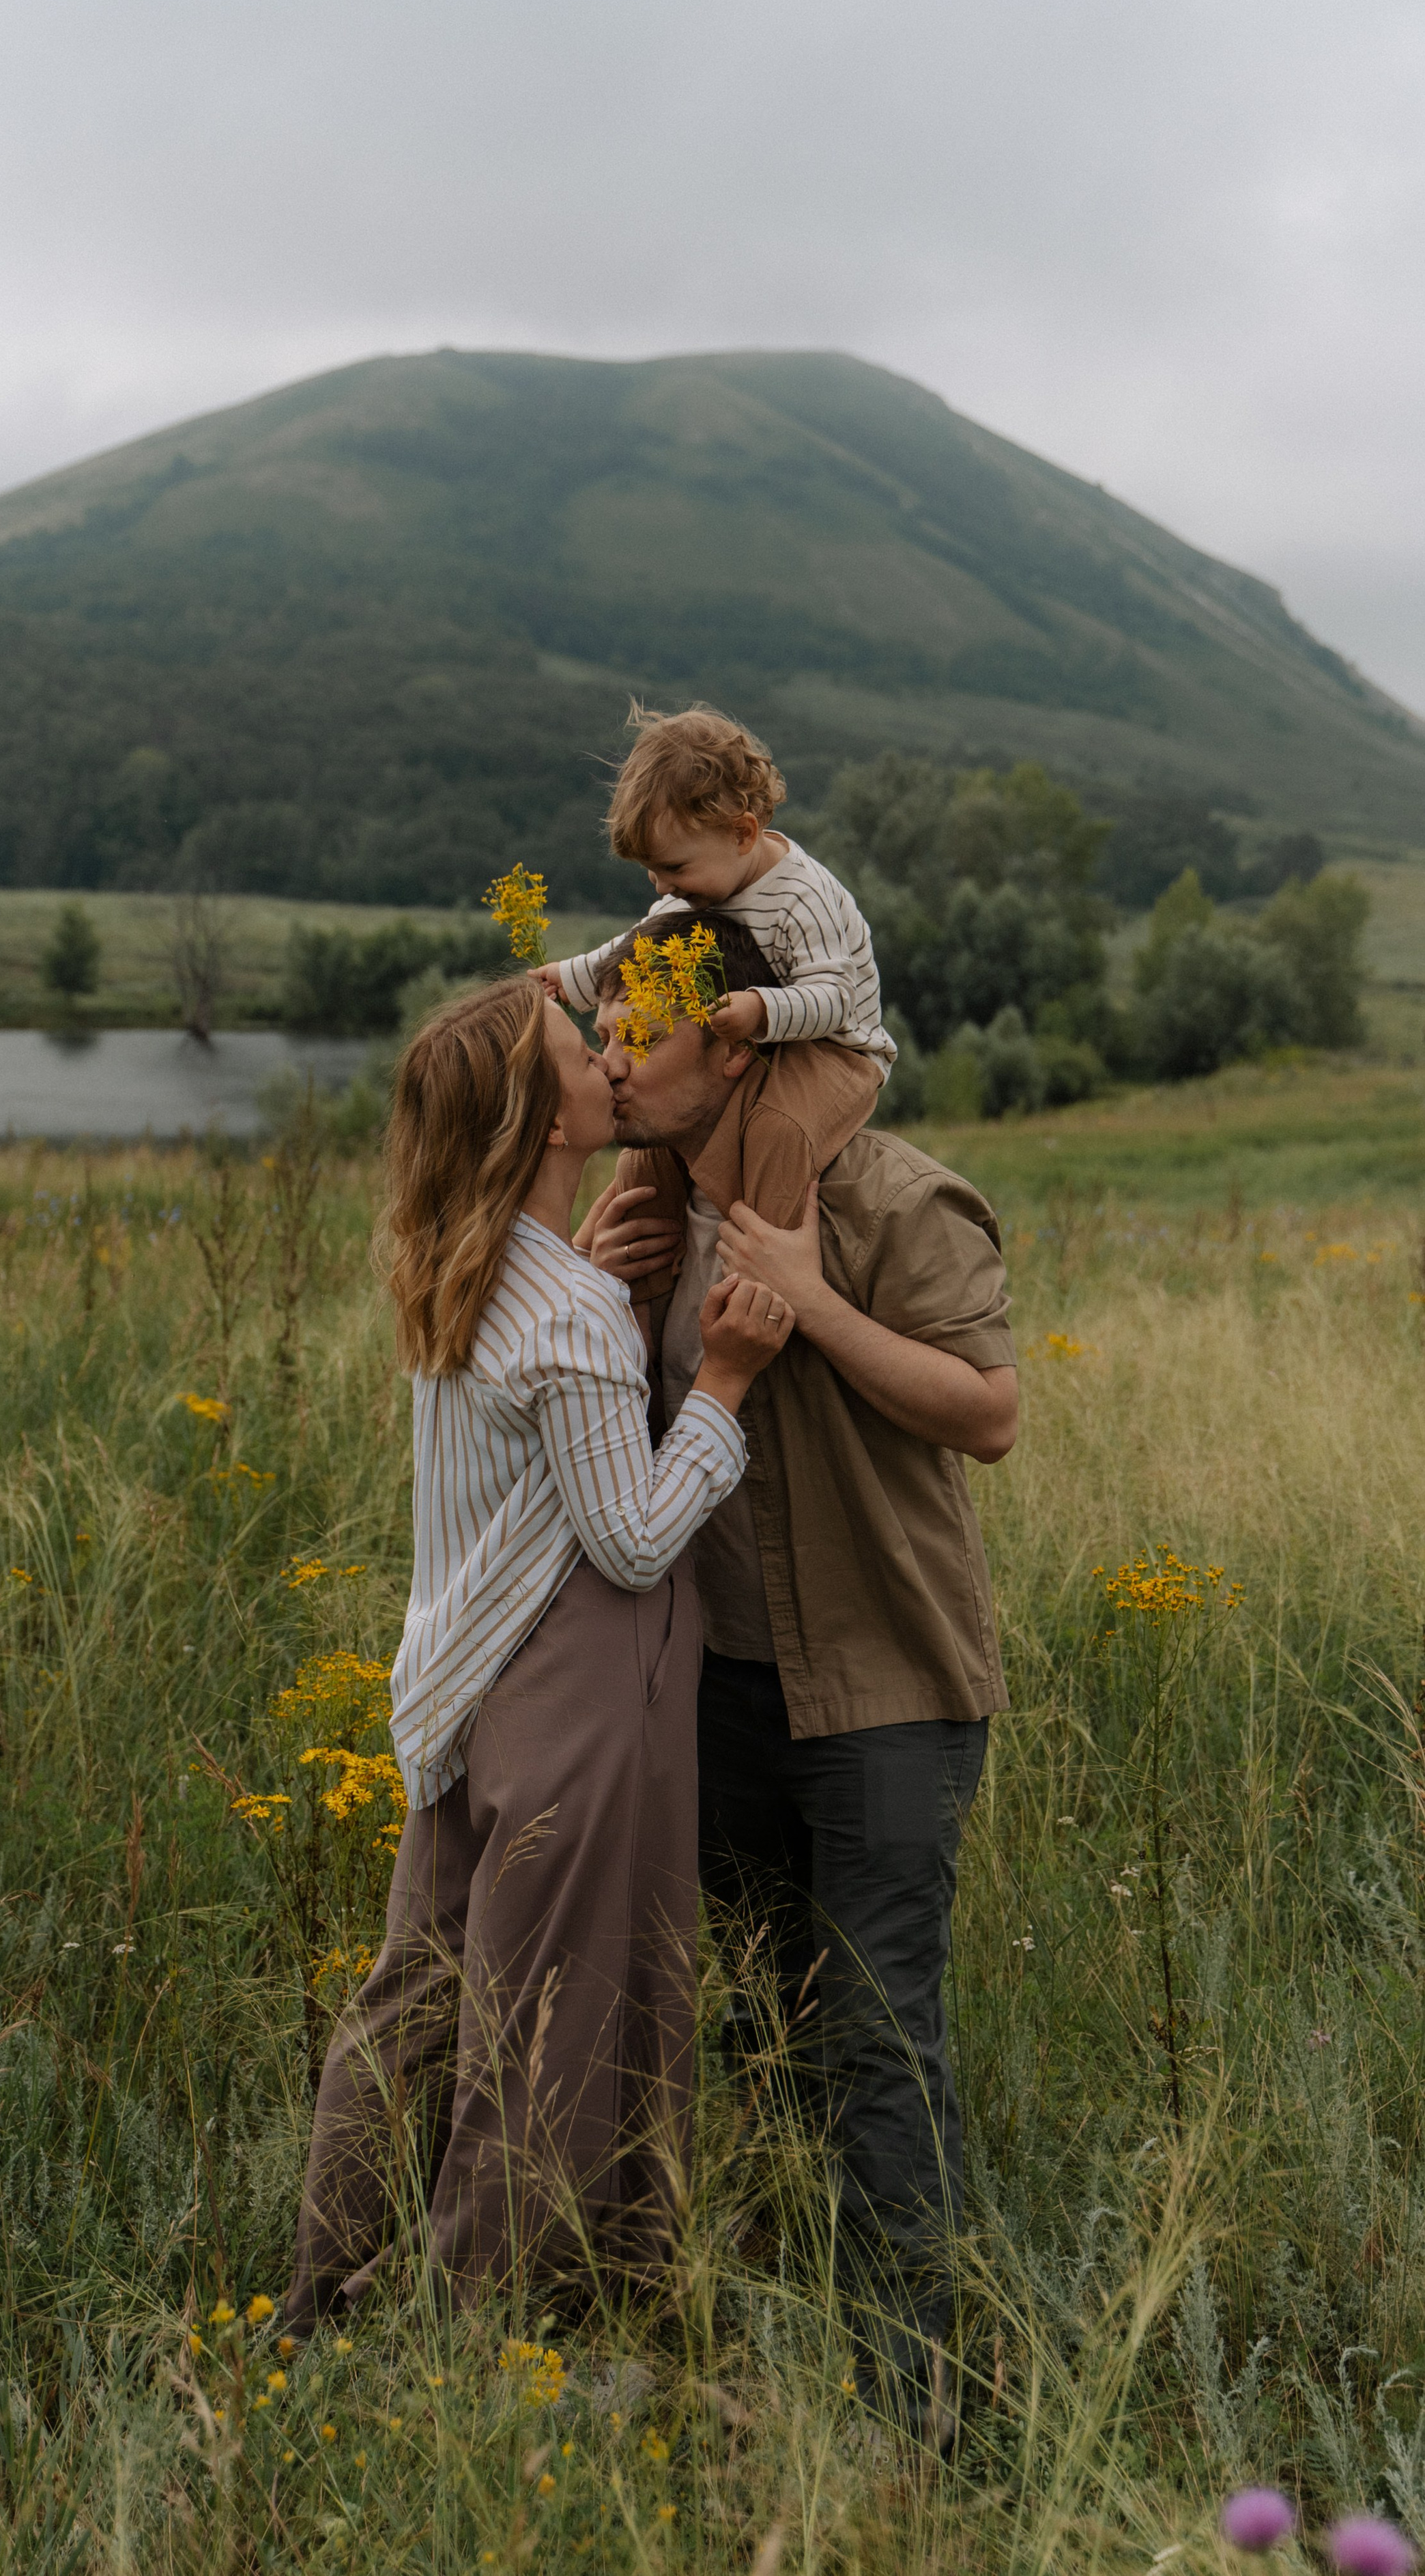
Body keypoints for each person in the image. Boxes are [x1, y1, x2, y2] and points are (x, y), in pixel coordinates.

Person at [281, 977, 793, 2330]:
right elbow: (625, 1538)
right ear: (540, 1111)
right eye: (586, 1047)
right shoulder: (558, 1309)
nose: (611, 1055)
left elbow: (523, 1484)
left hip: (463, 1682)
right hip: (568, 1689)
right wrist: (723, 1382)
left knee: (421, 2001)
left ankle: (326, 2300)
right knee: (554, 2021)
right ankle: (495, 2331)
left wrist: (617, 1318)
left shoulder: (469, 1261)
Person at [580, 909, 1019, 2437]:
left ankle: (930, 2416)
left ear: (738, 1037)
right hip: (721, 1692)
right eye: (609, 1031)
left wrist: (814, 1307)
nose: (614, 1061)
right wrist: (594, 1287)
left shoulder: (892, 1195)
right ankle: (790, 2359)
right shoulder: (643, 1215)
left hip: (886, 1692)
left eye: (644, 1034)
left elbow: (985, 1414)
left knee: (877, 2032)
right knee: (761, 2027)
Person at [538, 700, 893, 1305]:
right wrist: (566, 981)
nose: (662, 886)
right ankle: (631, 1315)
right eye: (650, 870)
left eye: (672, 867)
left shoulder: (802, 897)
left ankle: (760, 1279)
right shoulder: (698, 887)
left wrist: (759, 1010)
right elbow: (630, 954)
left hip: (835, 1051)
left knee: (780, 1131)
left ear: (743, 834)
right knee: (643, 1161)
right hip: (756, 1043)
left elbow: (834, 999)